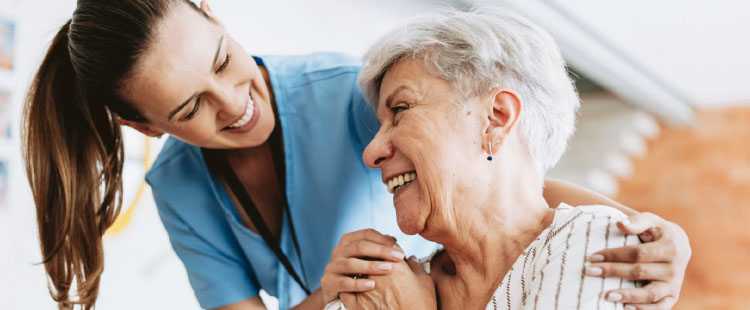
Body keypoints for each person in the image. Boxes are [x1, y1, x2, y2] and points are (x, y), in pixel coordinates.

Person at [21, 1, 690, 309]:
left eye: (223, 62)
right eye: (191, 108)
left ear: (214, 15)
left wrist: (652, 229)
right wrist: (328, 296)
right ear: (147, 127)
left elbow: (504, 180)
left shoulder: (348, 92)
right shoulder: (179, 189)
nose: (233, 103)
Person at [323, 8, 689, 310]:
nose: (372, 152)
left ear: (496, 117)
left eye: (401, 109)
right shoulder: (377, 288)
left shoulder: (595, 241)